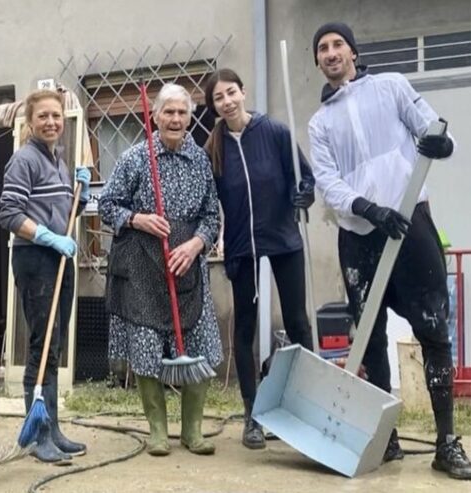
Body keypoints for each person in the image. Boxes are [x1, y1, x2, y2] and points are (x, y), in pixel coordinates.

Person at [309, 22, 471, 480]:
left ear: (354, 52)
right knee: (370, 336)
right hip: (360, 236)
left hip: (411, 224)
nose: (331, 52)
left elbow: (432, 130)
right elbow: (328, 180)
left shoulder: (392, 87)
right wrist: (365, 208)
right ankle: (387, 437)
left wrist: (444, 145)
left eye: (338, 44)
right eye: (322, 48)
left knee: (434, 330)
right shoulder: (320, 122)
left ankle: (445, 442)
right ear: (318, 61)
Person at [99, 83, 222, 457]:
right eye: (168, 111)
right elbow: (107, 205)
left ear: (190, 117)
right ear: (155, 116)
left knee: (198, 342)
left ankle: (193, 431)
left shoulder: (199, 159)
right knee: (147, 347)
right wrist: (138, 219)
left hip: (186, 262)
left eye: (182, 113)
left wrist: (197, 243)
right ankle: (156, 431)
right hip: (142, 266)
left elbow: (211, 215)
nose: (175, 119)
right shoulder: (136, 158)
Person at [203, 68, 315, 450]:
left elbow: (305, 177)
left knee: (299, 323)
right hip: (242, 247)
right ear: (214, 106)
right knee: (246, 327)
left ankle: (306, 406)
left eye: (231, 92)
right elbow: (208, 200)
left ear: (243, 92)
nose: (227, 101)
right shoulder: (212, 148)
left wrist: (305, 194)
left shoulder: (276, 132)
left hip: (284, 240)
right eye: (219, 98)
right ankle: (252, 415)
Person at [0, 89, 89, 465]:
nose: (51, 122)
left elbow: (66, 214)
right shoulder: (24, 160)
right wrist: (49, 238)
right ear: (30, 122)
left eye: (56, 116)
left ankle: (52, 429)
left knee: (53, 346)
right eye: (43, 117)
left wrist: (80, 194)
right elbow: (9, 214)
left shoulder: (60, 162)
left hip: (59, 260)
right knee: (41, 345)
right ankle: (37, 436)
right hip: (36, 259)